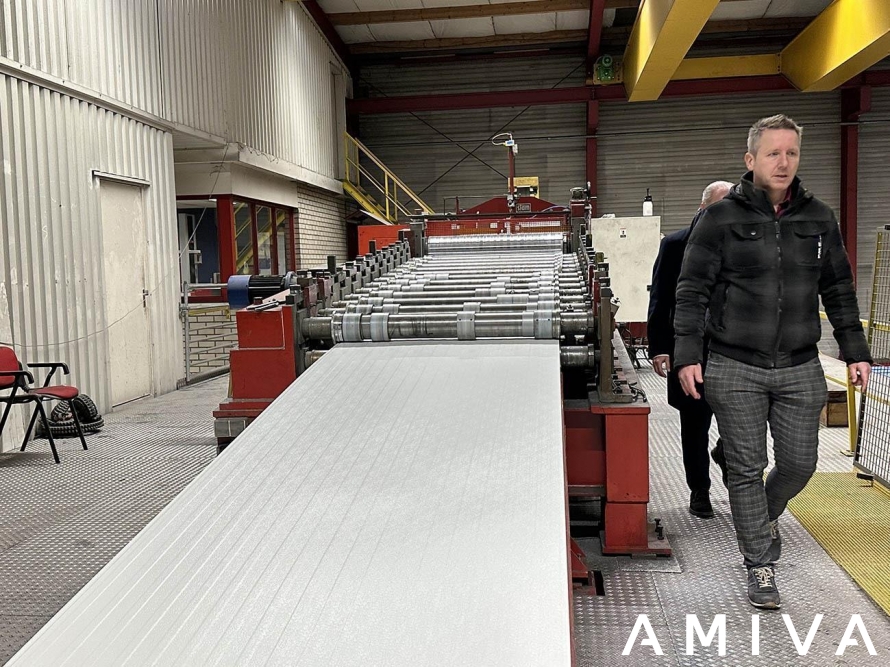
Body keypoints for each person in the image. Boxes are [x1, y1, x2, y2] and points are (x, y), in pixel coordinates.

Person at [673, 114, 872, 610]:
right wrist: (686, 355)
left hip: (800, 364)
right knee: (746, 467)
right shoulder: (720, 218)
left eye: (791, 153)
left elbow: (839, 289)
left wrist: (855, 351)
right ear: (751, 159)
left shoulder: (819, 217)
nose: (783, 163)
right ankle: (760, 564)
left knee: (800, 464)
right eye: (773, 153)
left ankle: (760, 517)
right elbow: (691, 291)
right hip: (734, 363)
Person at [647, 180, 733, 519]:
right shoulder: (675, 244)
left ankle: (728, 458)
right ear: (703, 207)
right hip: (690, 351)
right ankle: (699, 490)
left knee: (741, 424)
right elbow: (660, 298)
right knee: (694, 426)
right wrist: (659, 347)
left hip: (733, 354)